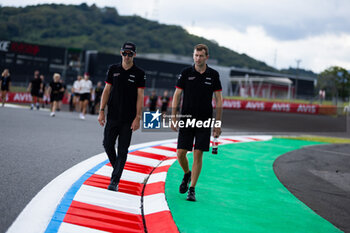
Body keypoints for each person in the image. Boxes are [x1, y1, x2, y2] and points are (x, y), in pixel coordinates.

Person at [171, 44, 223, 201]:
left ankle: (192, 189)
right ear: (193, 56)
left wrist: (218, 123)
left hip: (205, 120)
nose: (198, 58)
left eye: (201, 56)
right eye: (195, 55)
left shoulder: (213, 74)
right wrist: (173, 116)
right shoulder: (186, 73)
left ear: (207, 57)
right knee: (180, 153)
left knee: (198, 153)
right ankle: (187, 174)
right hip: (186, 118)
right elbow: (177, 94)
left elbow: (219, 99)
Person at [98, 42, 145, 192]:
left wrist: (138, 117)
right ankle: (117, 169)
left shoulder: (139, 73)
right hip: (112, 115)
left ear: (134, 55)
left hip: (129, 118)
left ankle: (115, 180)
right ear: (121, 53)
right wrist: (101, 110)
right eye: (125, 53)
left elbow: (140, 96)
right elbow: (106, 90)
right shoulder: (113, 69)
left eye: (130, 53)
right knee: (107, 144)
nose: (127, 56)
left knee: (123, 149)